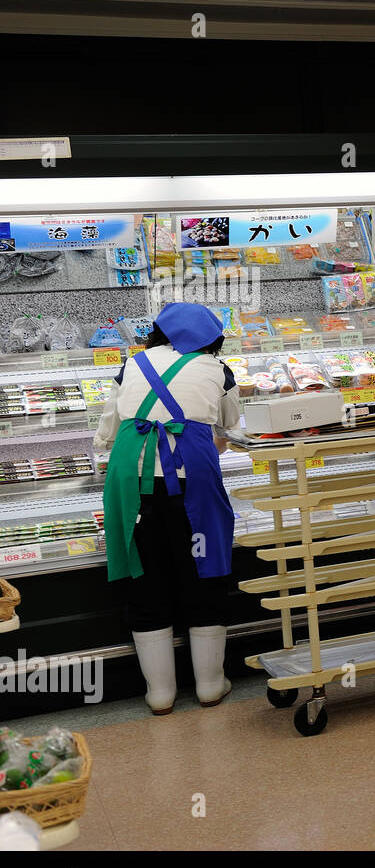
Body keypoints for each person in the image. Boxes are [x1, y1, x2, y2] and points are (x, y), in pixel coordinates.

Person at [96, 301, 239, 715]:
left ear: (157, 332)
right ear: (211, 340)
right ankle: (211, 685)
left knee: (145, 577)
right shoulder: (218, 370)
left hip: (132, 481)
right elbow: (229, 423)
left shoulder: (131, 366)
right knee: (204, 573)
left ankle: (159, 694)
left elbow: (107, 430)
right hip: (192, 478)